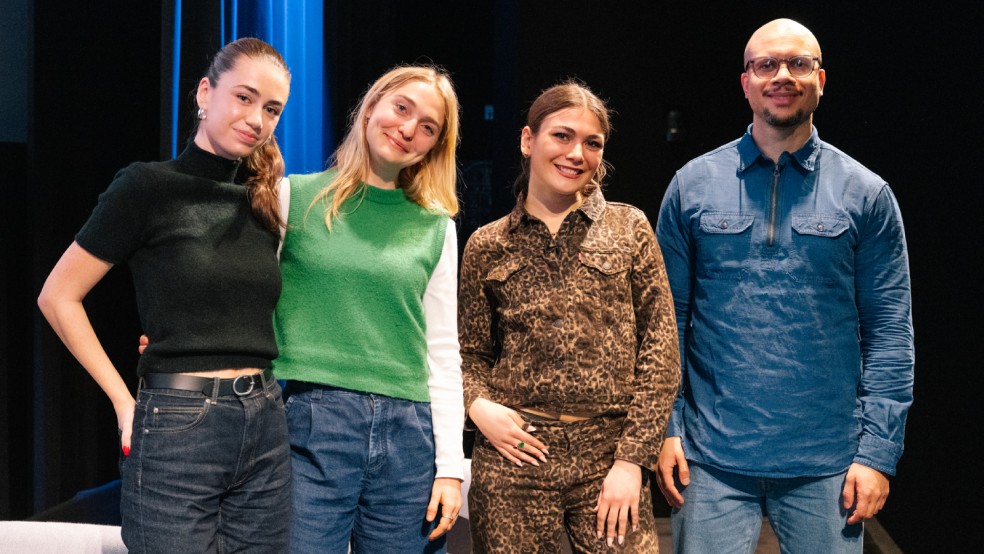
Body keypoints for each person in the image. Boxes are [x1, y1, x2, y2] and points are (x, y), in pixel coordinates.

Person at [654, 18, 914, 553]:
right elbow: (663, 322)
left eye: (798, 64)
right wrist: (667, 426)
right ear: (745, 81)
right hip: (711, 459)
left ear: (821, 79)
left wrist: (876, 454)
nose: (783, 75)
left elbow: (890, 330)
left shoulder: (866, 193)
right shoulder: (693, 184)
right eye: (766, 64)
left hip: (828, 461)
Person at [37, 38, 293, 552]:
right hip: (179, 423)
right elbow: (58, 296)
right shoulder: (147, 187)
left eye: (271, 109)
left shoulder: (267, 201)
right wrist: (121, 399)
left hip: (265, 422)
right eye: (244, 98)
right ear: (205, 92)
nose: (257, 119)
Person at [459, 82, 681, 552]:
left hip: (607, 454)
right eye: (562, 136)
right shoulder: (487, 244)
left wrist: (632, 461)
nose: (576, 153)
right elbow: (467, 352)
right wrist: (478, 408)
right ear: (527, 140)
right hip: (514, 455)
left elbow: (660, 352)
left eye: (592, 143)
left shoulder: (630, 228)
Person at [272, 65, 464, 553]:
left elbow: (443, 352)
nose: (408, 130)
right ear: (371, 106)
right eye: (402, 109)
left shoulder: (436, 227)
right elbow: (245, 303)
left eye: (428, 127)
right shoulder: (293, 197)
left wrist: (450, 468)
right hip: (311, 420)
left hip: (409, 435)